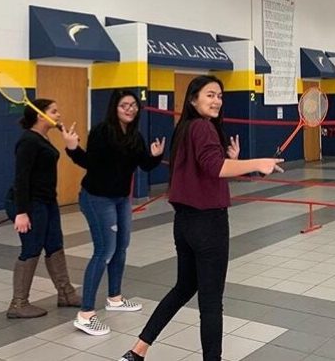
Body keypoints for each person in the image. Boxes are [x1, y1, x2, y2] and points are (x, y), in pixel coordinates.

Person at [118, 75, 284, 361]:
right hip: (208, 225)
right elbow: (214, 167)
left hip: (184, 225)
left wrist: (234, 159)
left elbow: (208, 169)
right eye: (210, 95)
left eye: (219, 95)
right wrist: (257, 163)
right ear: (193, 99)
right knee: (211, 303)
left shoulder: (185, 128)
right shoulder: (203, 127)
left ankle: (137, 351)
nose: (217, 100)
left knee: (184, 287)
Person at [62, 90, 165, 335]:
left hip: (120, 199)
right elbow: (88, 163)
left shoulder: (135, 136)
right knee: (104, 250)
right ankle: (85, 314)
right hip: (96, 198)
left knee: (121, 246)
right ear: (114, 108)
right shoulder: (102, 132)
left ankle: (115, 298)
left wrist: (156, 157)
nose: (130, 109)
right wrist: (72, 149)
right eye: (124, 105)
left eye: (133, 105)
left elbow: (143, 165)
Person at [5, 99, 81, 319]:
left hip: (47, 201)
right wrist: (21, 212)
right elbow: (21, 178)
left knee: (55, 244)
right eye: (54, 111)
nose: (58, 114)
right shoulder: (28, 140)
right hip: (30, 203)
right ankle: (18, 304)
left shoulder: (43, 137)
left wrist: (70, 144)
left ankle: (66, 294)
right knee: (31, 249)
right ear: (40, 115)